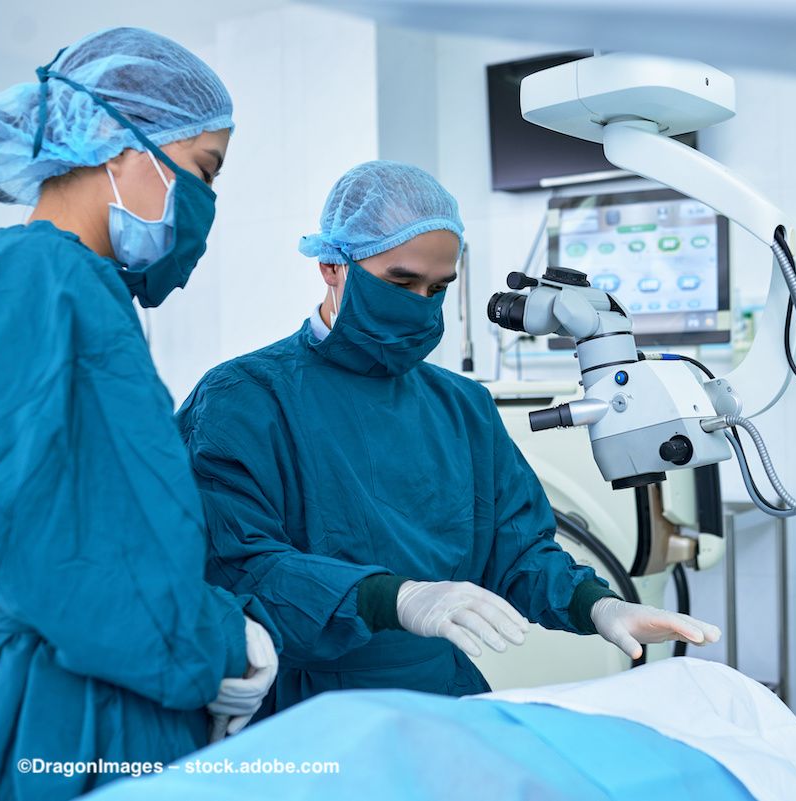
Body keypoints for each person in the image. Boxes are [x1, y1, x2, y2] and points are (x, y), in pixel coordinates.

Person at [176, 161, 720, 713]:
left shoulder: (462, 406)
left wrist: (597, 606)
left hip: (439, 694)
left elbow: (517, 549)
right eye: (401, 282)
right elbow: (239, 566)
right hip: (302, 706)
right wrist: (391, 599)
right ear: (331, 266)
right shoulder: (243, 398)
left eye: (438, 287)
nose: (420, 302)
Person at [0, 28, 278, 800]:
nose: (204, 202)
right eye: (203, 169)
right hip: (66, 708)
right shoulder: (35, 276)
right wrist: (215, 639)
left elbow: (110, 518)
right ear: (119, 142)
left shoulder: (82, 287)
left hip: (111, 681)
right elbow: (41, 548)